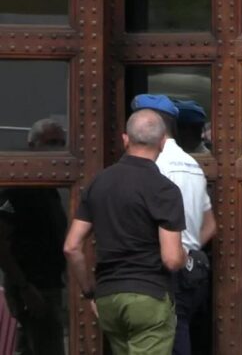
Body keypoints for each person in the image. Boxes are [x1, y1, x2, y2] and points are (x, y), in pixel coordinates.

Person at [63, 109, 187, 355]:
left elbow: (71, 247)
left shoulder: (99, 183)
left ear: (125, 139)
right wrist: (186, 255)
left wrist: (90, 291)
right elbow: (172, 259)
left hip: (108, 297)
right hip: (148, 295)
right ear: (163, 142)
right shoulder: (164, 189)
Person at [131, 94, 216, 355]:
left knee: (165, 342)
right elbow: (211, 225)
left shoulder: (154, 164)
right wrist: (187, 249)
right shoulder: (193, 164)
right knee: (180, 334)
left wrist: (171, 251)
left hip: (163, 270)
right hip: (191, 269)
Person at [0, 118, 68, 355]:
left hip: (48, 283)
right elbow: (2, 241)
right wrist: (24, 287)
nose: (57, 149)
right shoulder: (20, 187)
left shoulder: (47, 187)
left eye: (61, 143)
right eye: (51, 142)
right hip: (33, 286)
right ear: (33, 145)